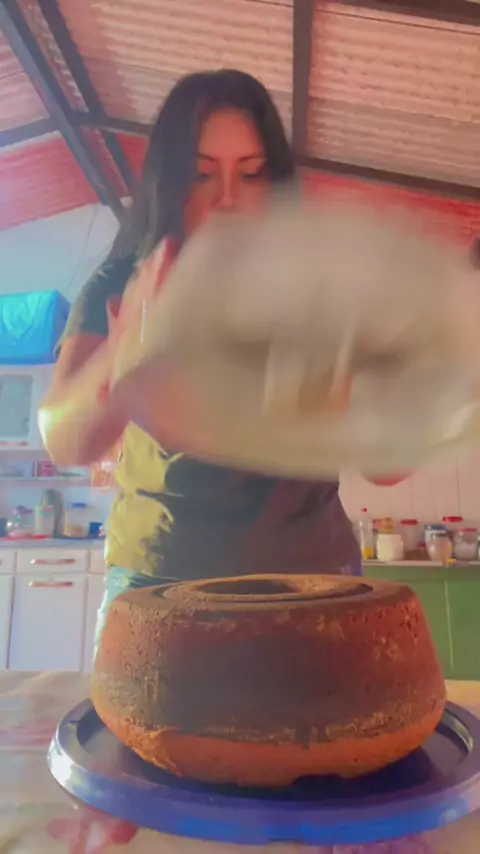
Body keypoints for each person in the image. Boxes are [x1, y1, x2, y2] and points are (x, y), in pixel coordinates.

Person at [39, 69, 398, 650]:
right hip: (160, 580)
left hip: (313, 583)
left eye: (250, 174)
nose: (227, 196)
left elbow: (387, 465)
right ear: (168, 179)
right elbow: (64, 441)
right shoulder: (126, 279)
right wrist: (120, 359)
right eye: (202, 173)